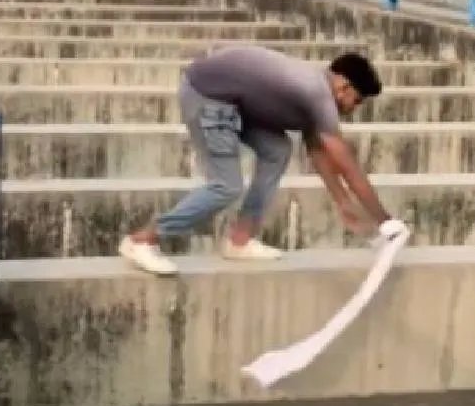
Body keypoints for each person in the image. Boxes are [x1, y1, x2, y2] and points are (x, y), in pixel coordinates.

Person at [119, 45, 398, 275]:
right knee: (226, 187)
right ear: (344, 86)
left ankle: (240, 240)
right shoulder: (316, 92)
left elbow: (317, 150)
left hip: (232, 103)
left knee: (277, 149)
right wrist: (385, 221)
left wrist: (343, 203)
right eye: (357, 101)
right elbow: (347, 165)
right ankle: (141, 241)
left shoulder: (312, 91)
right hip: (207, 97)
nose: (354, 108)